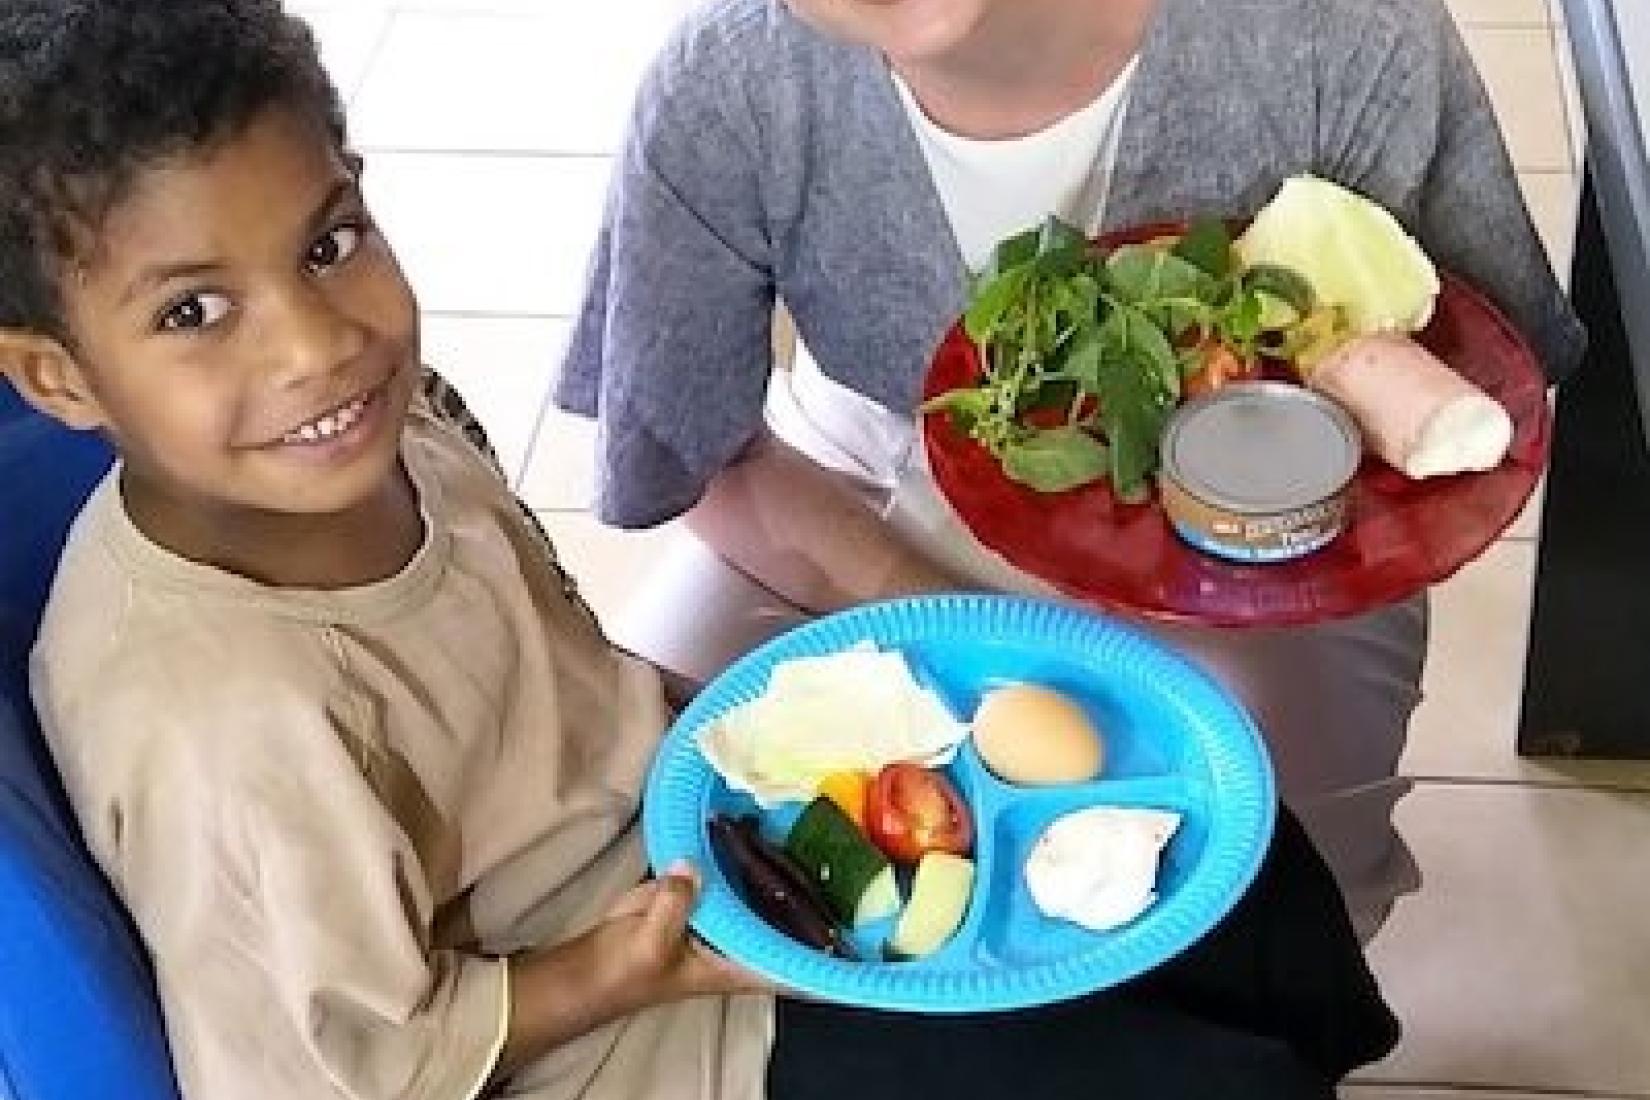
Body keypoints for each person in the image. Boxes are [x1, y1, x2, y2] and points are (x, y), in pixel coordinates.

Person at [0, 1, 1403, 1096]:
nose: (320, 345)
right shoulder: (223, 722)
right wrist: (617, 974)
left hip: (691, 853)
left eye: (329, 244)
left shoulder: (388, 427)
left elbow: (538, 677)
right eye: (194, 313)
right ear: (57, 378)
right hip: (619, 1043)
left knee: (1238, 863)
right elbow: (341, 1074)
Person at [555, 0, 1587, 941]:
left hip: (1264, 525)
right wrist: (969, 627)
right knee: (642, 809)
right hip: (855, 472)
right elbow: (698, 451)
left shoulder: (1345, 34)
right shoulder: (731, 82)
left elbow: (1483, 396)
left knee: (1268, 891)